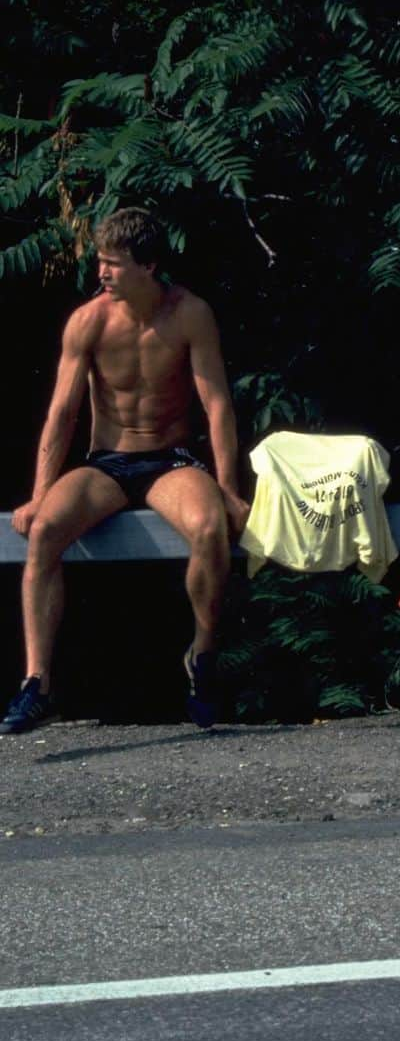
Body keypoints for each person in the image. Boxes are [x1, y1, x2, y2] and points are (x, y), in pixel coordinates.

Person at [1, 207, 250, 734]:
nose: (102, 273)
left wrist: (227, 490)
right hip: (107, 462)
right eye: (101, 262)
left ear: (149, 265)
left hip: (169, 459)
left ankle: (202, 656)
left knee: (210, 527)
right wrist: (40, 492)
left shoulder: (189, 314)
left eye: (113, 264)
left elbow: (217, 405)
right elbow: (63, 413)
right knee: (44, 530)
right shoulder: (89, 321)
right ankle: (36, 682)